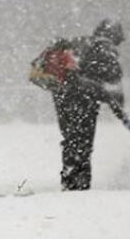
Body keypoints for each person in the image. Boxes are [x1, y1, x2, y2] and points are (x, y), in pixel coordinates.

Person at [51, 19, 128, 191]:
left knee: (71, 139)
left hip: (62, 98)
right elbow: (109, 88)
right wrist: (121, 114)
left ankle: (70, 179)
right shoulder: (105, 52)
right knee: (83, 143)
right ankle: (79, 184)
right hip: (84, 102)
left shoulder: (82, 44)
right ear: (114, 36)